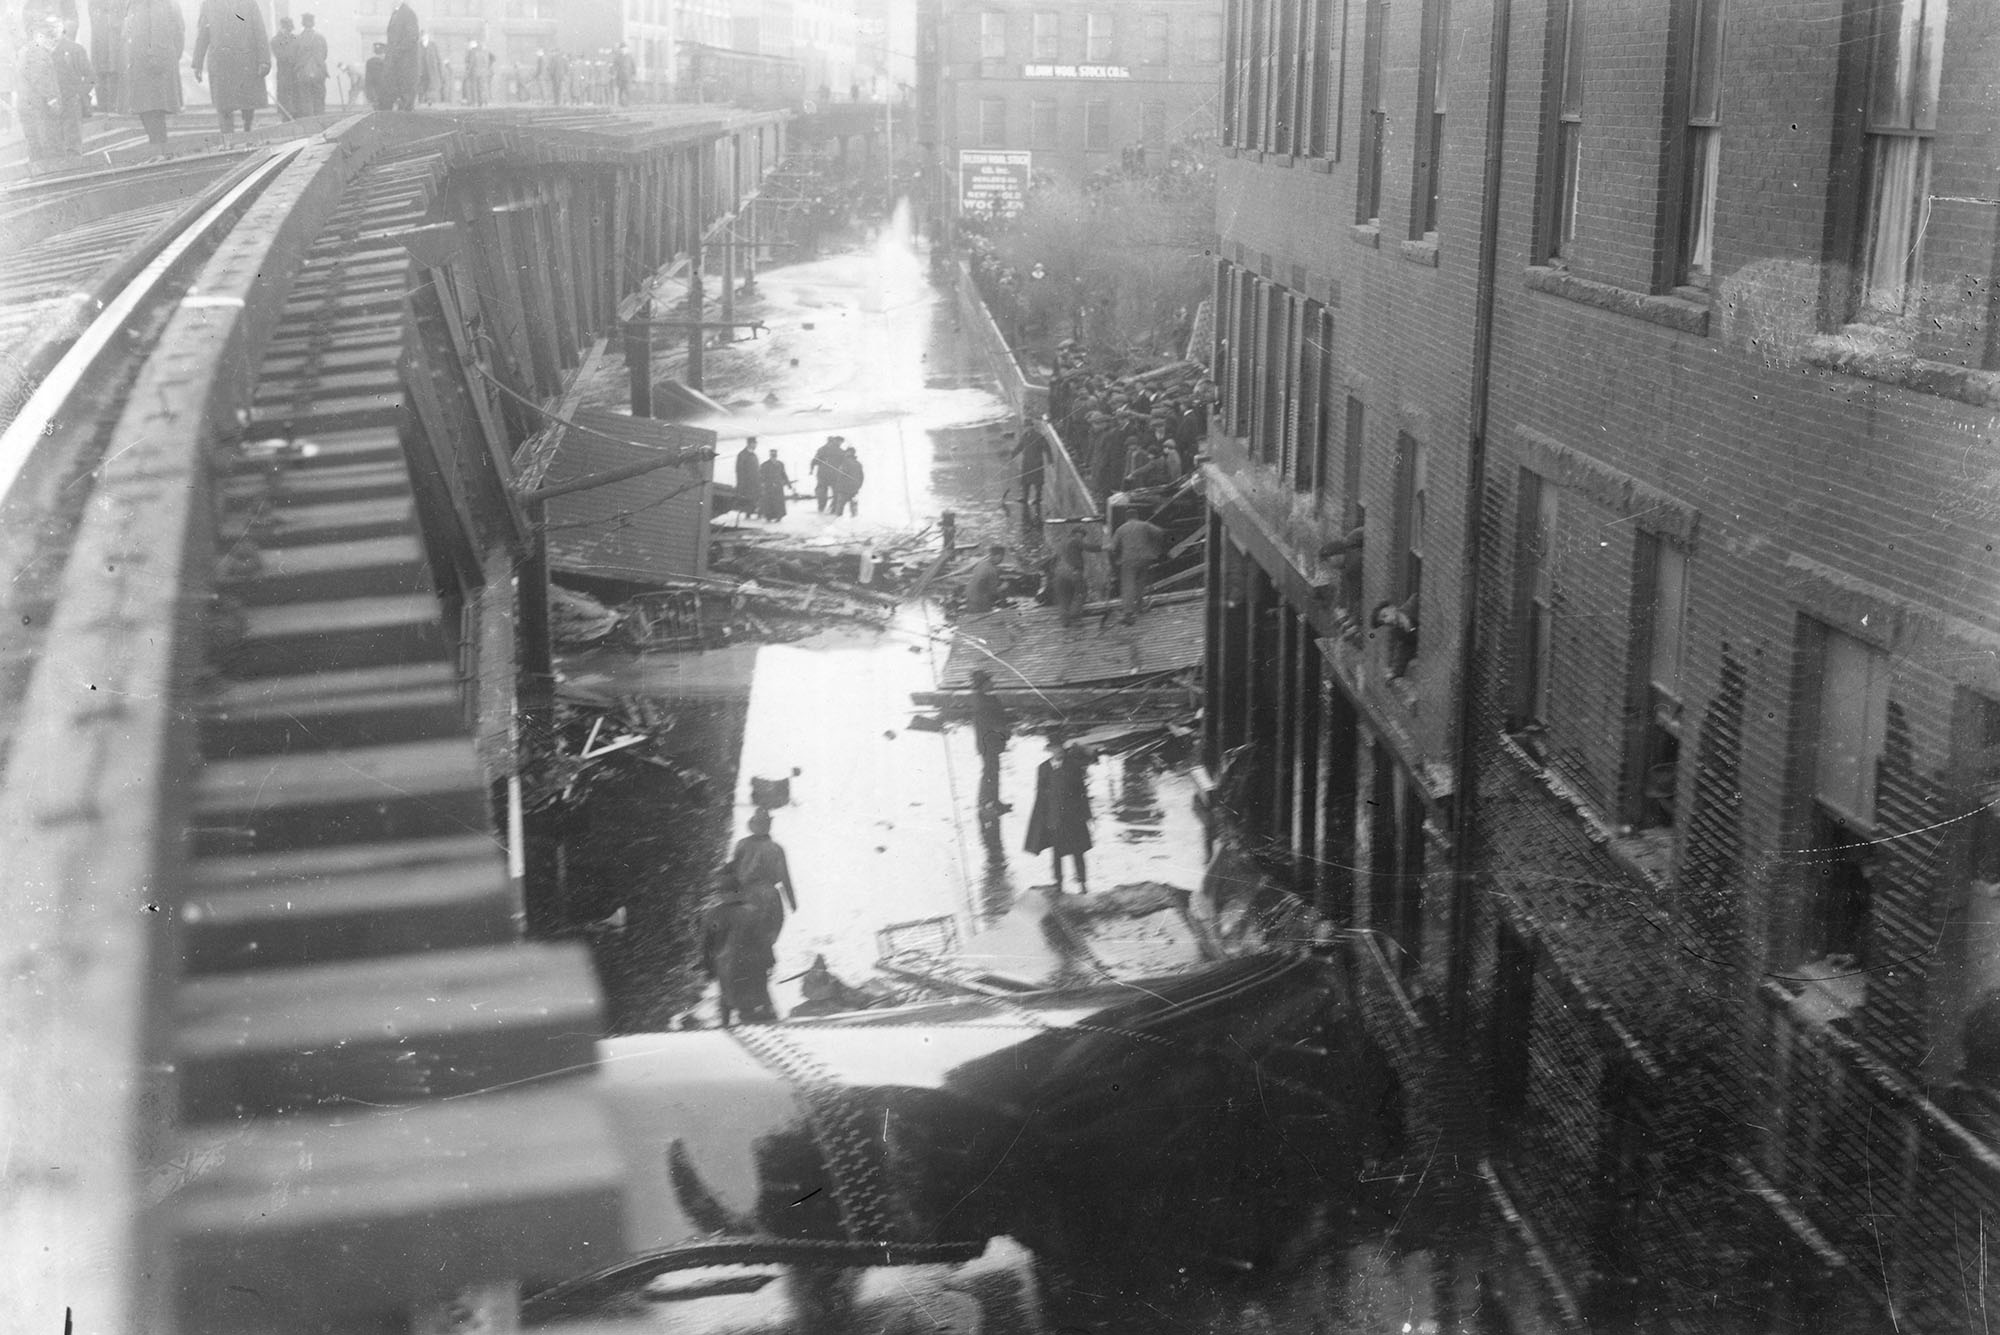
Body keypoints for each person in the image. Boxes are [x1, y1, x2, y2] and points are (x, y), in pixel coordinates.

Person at [700, 865, 781, 1025]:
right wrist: (770, 959)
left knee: (728, 993)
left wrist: (708, 966)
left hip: (726, 964)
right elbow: (763, 939)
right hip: (751, 963)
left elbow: (707, 944)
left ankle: (729, 1018)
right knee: (752, 992)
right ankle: (754, 1013)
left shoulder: (713, 914)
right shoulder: (752, 912)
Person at [1025, 735, 1093, 893]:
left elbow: (1082, 793)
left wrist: (1088, 814)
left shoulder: (1073, 767)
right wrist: (1040, 820)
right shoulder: (1043, 769)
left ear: (1063, 749)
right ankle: (1058, 884)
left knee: (1078, 851)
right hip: (1053, 818)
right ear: (1050, 750)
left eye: (1059, 748)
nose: (1057, 752)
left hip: (1073, 817)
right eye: (1054, 749)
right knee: (1056, 852)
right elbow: (1040, 796)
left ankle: (1083, 883)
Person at [192, 0, 269, 133]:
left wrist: (264, 60)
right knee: (223, 105)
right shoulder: (209, 3)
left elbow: (259, 30)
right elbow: (203, 34)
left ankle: (248, 133)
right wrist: (197, 63)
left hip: (246, 60)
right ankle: (228, 140)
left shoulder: (249, 3)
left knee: (248, 103)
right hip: (221, 63)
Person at [119, 0, 182, 149]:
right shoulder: (134, 4)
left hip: (151, 66)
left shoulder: (154, 3)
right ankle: (158, 150)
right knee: (146, 110)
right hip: (140, 65)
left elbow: (159, 31)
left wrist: (155, 59)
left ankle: (160, 151)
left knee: (153, 110)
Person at [15, 16, 66, 161]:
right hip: (39, 107)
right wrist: (53, 100)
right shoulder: (37, 53)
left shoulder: (26, 50)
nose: (52, 41)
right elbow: (41, 79)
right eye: (48, 37)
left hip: (28, 105)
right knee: (48, 143)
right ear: (39, 36)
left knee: (35, 144)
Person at [731, 809, 798, 914]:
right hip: (769, 897)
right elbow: (785, 878)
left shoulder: (741, 844)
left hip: (743, 894)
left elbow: (733, 871)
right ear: (769, 826)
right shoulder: (776, 849)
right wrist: (792, 903)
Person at [1108, 513, 1167, 623]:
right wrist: (1155, 548)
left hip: (1129, 560)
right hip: (1145, 558)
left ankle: (1128, 613)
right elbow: (1160, 532)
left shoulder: (1121, 529)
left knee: (1128, 585)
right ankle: (1139, 606)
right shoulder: (1145, 525)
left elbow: (1112, 547)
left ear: (1126, 518)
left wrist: (1115, 561)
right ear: (1137, 516)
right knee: (1141, 583)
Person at [970, 668, 1012, 812]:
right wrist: (1003, 730)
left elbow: (999, 717)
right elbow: (990, 723)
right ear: (982, 685)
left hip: (992, 743)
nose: (992, 683)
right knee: (990, 772)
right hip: (987, 744)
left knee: (993, 772)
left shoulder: (989, 698)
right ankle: (986, 802)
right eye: (989, 681)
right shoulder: (981, 701)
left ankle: (993, 801)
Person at [1048, 524, 1096, 627]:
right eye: (1082, 535)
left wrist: (1054, 574)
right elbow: (1088, 547)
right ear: (1076, 534)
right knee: (1081, 592)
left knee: (1064, 597)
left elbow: (1052, 560)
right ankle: (1074, 615)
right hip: (1073, 573)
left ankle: (1065, 621)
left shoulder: (1061, 543)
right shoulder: (1075, 540)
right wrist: (1104, 547)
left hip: (1059, 574)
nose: (1082, 538)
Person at [382, 0, 417, 110]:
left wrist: (397, 50)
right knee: (393, 89)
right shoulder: (396, 13)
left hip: (403, 61)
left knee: (405, 93)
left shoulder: (408, 13)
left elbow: (412, 36)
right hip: (395, 60)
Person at [1008, 419, 1048, 514]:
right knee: (1025, 481)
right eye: (1025, 427)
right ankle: (1025, 497)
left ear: (1032, 426)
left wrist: (1050, 460)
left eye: (1028, 426)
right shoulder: (1024, 437)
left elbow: (1047, 447)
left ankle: (1038, 498)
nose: (1026, 428)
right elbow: (1019, 447)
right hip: (1027, 462)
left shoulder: (1039, 436)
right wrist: (1012, 455)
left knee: (1038, 481)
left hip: (1036, 462)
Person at [86, 0, 120, 111]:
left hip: (114, 40)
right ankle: (104, 105)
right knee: (100, 71)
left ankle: (113, 104)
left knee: (114, 71)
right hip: (100, 39)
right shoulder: (94, 4)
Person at [294, 13, 327, 114]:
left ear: (303, 23)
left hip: (303, 72)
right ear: (313, 23)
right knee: (319, 97)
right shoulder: (320, 37)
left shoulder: (298, 38)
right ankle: (320, 118)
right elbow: (325, 54)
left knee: (305, 97)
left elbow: (295, 55)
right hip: (318, 71)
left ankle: (308, 119)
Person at [963, 544, 1006, 615]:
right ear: (998, 556)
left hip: (970, 599)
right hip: (980, 602)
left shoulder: (981, 564)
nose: (1002, 559)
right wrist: (1002, 587)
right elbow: (992, 591)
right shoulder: (992, 570)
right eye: (1002, 557)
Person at [268, 15, 296, 116]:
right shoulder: (275, 40)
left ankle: (293, 114)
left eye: (290, 29)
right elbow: (281, 56)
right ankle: (285, 116)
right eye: (286, 29)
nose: (288, 31)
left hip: (294, 72)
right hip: (284, 72)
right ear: (282, 27)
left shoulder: (294, 38)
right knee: (284, 96)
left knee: (294, 95)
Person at [809, 436, 844, 513]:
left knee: (836, 493)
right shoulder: (823, 450)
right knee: (824, 494)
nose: (839, 443)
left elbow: (845, 463)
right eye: (837, 441)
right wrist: (811, 469)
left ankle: (831, 509)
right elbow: (815, 460)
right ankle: (823, 509)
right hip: (824, 475)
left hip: (832, 476)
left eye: (840, 442)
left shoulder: (840, 451)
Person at [757, 447, 791, 522]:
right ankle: (768, 517)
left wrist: (788, 484)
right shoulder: (765, 465)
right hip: (769, 487)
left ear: (776, 455)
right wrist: (762, 484)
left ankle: (779, 517)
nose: (773, 457)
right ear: (770, 456)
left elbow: (783, 474)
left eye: (775, 455)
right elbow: (761, 476)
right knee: (769, 503)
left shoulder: (780, 464)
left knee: (779, 503)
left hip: (778, 487)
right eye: (772, 455)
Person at [733, 437, 760, 521]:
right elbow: (739, 470)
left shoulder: (754, 455)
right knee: (746, 498)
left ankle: (752, 512)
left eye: (755, 443)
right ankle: (747, 514)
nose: (755, 445)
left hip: (754, 481)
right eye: (753, 443)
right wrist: (741, 482)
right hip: (746, 482)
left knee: (753, 497)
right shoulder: (742, 454)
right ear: (749, 444)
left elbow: (757, 468)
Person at [836, 444, 865, 516]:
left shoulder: (845, 462)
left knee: (840, 508)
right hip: (854, 489)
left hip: (844, 489)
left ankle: (836, 522)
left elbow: (840, 475)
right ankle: (854, 522)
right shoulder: (858, 464)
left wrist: (838, 486)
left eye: (847, 452)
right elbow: (862, 477)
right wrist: (858, 486)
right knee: (854, 509)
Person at [418, 31, 444, 104]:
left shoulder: (433, 45)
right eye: (422, 36)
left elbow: (438, 58)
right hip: (422, 70)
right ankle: (422, 100)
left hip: (431, 70)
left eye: (425, 35)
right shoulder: (418, 45)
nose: (423, 37)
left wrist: (440, 69)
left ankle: (430, 100)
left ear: (427, 36)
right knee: (422, 85)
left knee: (431, 85)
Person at [362, 41, 385, 109]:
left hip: (376, 88)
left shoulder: (370, 61)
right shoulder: (388, 60)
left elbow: (368, 80)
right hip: (382, 88)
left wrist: (370, 96)